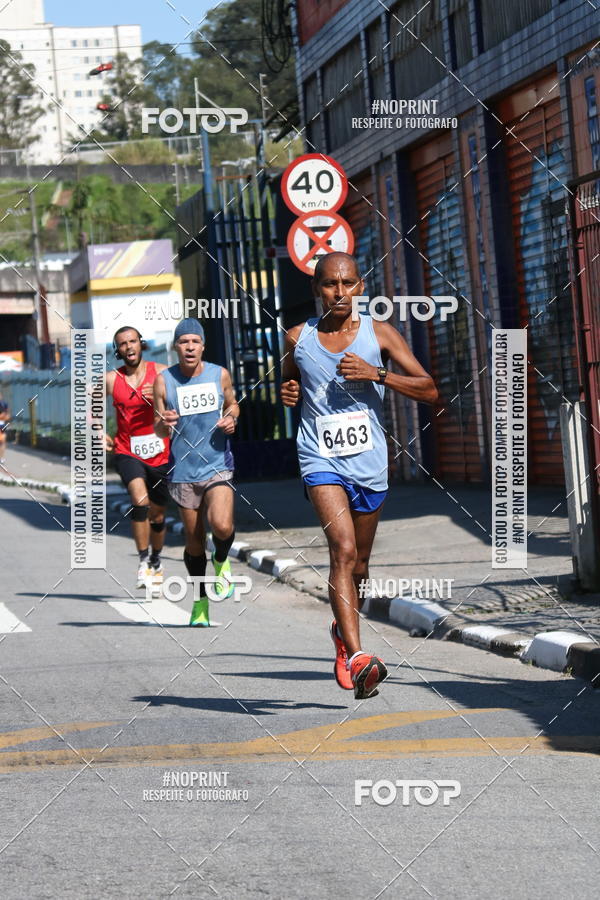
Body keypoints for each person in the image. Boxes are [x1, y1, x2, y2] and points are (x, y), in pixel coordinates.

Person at [280, 252, 438, 699]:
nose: (339, 292)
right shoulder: (298, 337)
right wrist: (287, 391)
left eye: (348, 282)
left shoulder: (379, 334)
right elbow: (290, 380)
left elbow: (430, 390)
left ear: (361, 286)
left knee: (362, 565)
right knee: (343, 551)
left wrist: (377, 374)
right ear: (317, 289)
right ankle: (358, 656)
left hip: (368, 461)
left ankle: (340, 631)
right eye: (330, 284)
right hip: (319, 458)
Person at [153, 318, 239, 627]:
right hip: (183, 472)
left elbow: (232, 405)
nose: (189, 347)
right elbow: (157, 426)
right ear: (176, 347)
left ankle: (221, 559)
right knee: (193, 541)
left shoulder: (219, 375)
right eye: (183, 342)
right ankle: (201, 602)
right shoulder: (164, 381)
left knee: (222, 525)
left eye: (195, 341)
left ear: (202, 346)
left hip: (217, 465)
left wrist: (231, 419)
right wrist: (165, 422)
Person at [106, 326, 170, 590]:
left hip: (160, 451)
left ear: (141, 344)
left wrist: (158, 399)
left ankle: (156, 559)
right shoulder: (111, 379)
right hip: (126, 449)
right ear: (117, 350)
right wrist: (98, 431)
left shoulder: (162, 373)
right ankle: (143, 562)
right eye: (123, 344)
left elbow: (179, 403)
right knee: (139, 502)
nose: (129, 347)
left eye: (133, 341)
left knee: (157, 514)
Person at [0, 392, 9, 465]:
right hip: (2, 425)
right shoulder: (4, 404)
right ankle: (1, 458)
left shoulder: (4, 404)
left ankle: (1, 458)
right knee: (2, 442)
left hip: (2, 425)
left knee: (2, 442)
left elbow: (7, 415)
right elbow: (7, 415)